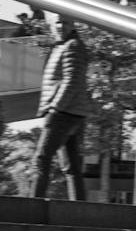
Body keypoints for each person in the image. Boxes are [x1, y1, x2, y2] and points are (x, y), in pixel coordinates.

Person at [34, 16, 95, 201]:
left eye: (65, 22)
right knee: (72, 166)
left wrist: (55, 108)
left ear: (73, 25)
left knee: (41, 159)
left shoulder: (72, 46)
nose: (60, 26)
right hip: (73, 112)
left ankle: (32, 206)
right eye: (57, 22)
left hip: (64, 113)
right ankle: (79, 209)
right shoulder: (63, 45)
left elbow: (72, 81)